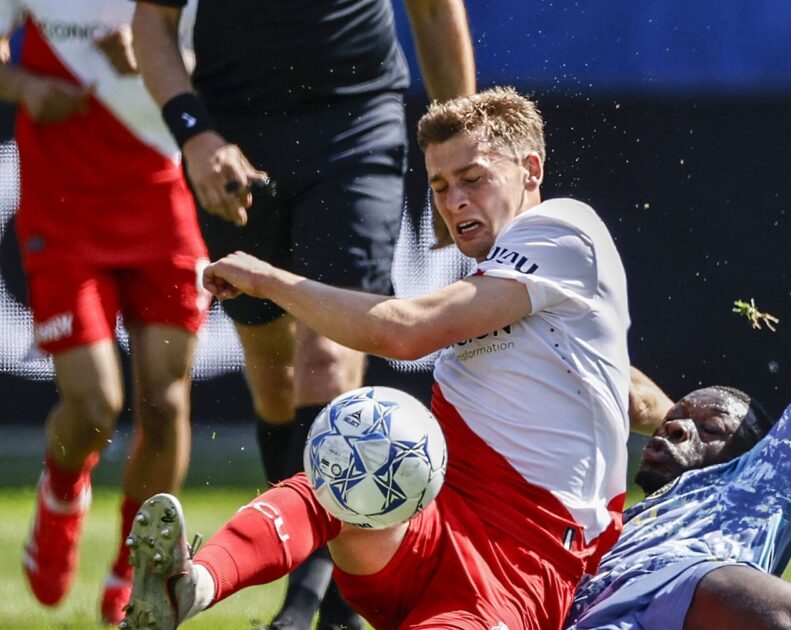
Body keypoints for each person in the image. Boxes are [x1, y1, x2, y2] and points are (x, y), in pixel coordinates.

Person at [122, 87, 631, 630]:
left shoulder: (563, 227)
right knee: (353, 452)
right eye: (440, 186)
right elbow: (609, 375)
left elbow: (403, 331)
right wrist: (667, 411)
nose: (454, 201)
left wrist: (269, 280)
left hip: (523, 563)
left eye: (473, 178)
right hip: (427, 522)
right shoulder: (512, 280)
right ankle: (192, 584)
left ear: (531, 170)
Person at [130, 1, 475, 626]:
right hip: (231, 136)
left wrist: (461, 161)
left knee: (327, 359)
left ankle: (310, 601)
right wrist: (195, 135)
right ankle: (329, 577)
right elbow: (152, 22)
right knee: (274, 376)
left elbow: (432, 11)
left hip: (356, 122)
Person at [567, 221, 791, 630]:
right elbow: (628, 393)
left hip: (691, 585)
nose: (677, 428)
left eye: (712, 429)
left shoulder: (767, 479)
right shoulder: (609, 525)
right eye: (673, 419)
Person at [0, 1, 210, 624]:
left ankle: (135, 566)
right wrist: (24, 85)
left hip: (162, 197)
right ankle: (62, 491)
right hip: (62, 207)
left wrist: (156, 59)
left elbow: (218, 66)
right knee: (94, 406)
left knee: (166, 403)